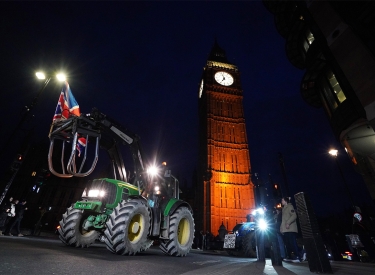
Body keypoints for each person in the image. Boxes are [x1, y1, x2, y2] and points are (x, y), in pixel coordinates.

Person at [280, 197, 301, 263]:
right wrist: (281, 228)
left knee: (292, 243)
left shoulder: (290, 207)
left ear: (286, 201)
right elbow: (283, 220)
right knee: (288, 243)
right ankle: (289, 256)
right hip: (286, 230)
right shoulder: (283, 209)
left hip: (291, 229)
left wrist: (288, 223)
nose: (281, 201)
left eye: (282, 200)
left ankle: (297, 256)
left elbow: (294, 216)